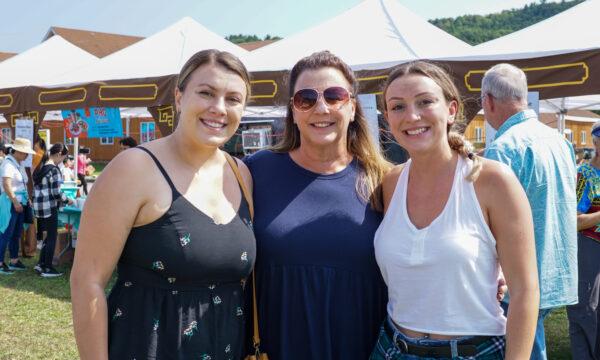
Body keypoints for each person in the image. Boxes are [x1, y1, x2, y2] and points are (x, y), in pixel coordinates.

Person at [70, 49, 255, 359]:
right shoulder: (133, 168)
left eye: (233, 99)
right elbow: (87, 281)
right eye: (206, 93)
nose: (219, 108)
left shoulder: (241, 174)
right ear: (180, 97)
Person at [369, 61, 539, 359]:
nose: (412, 116)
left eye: (425, 102)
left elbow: (525, 292)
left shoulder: (492, 181)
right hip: (392, 349)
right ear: (387, 118)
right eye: (398, 107)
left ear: (450, 110)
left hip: (474, 351)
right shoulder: (390, 182)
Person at [244, 51, 392, 359]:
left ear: (352, 108)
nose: (320, 108)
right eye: (306, 98)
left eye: (334, 96)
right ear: (293, 112)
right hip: (277, 346)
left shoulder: (384, 181)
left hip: (362, 347)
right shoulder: (254, 172)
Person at [482, 63, 578, 360]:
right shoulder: (560, 141)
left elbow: (490, 222)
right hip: (556, 268)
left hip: (519, 277)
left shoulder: (502, 148)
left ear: (488, 101)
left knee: (522, 349)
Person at [568, 120, 600, 360]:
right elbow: (574, 220)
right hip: (588, 248)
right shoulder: (584, 175)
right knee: (586, 313)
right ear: (596, 143)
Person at [32, 143, 73, 278]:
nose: (62, 161)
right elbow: (56, 193)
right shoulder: (54, 170)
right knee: (51, 237)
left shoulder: (42, 167)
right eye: (63, 158)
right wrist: (68, 200)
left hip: (39, 207)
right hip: (49, 206)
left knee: (46, 236)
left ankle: (41, 264)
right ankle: (47, 268)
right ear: (59, 154)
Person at [0, 138, 36, 274]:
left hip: (20, 202)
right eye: (25, 153)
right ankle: (0, 263)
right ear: (19, 151)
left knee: (16, 234)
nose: (27, 156)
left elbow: (22, 184)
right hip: (10, 203)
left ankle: (14, 260)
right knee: (5, 233)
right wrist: (15, 201)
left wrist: (26, 200)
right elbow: (6, 185)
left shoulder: (17, 164)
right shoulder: (8, 164)